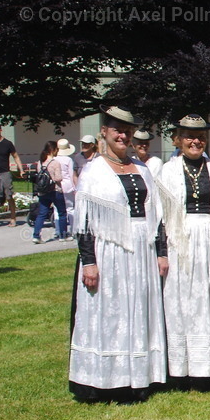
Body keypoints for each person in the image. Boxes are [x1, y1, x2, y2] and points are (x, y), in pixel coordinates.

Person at [69, 106, 167, 403]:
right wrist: (89, 262)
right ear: (105, 133)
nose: (122, 135)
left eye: (127, 131)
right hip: (108, 251)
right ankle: (103, 380)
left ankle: (137, 378)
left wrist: (161, 252)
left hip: (141, 252)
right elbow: (84, 222)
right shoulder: (93, 172)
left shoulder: (143, 170)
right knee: (110, 312)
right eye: (116, 130)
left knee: (138, 309)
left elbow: (157, 216)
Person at [155, 115, 210, 389]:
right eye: (189, 136)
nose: (195, 141)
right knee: (182, 300)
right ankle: (182, 369)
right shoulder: (168, 171)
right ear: (178, 139)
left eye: (200, 136)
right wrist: (162, 252)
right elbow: (160, 217)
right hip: (181, 242)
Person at [31, 141, 69, 244]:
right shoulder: (55, 162)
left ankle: (36, 235)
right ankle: (63, 235)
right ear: (53, 150)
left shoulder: (40, 162)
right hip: (55, 190)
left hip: (43, 191)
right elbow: (58, 178)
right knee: (62, 212)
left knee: (42, 214)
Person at [0, 122, 23, 226]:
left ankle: (13, 218)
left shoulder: (7, 143)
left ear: (0, 130)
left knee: (8, 195)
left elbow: (16, 156)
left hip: (5, 172)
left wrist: (21, 169)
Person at [55, 138, 78, 235]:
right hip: (68, 185)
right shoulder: (68, 160)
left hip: (57, 186)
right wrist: (75, 188)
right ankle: (73, 230)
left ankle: (58, 230)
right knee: (70, 208)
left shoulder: (54, 159)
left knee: (57, 210)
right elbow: (71, 174)